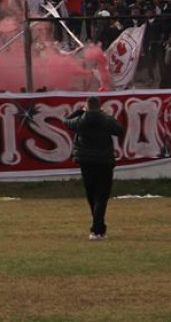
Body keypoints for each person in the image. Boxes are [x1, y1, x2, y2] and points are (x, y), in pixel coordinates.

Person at [64, 96, 125, 240]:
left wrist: (80, 112)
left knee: (91, 195)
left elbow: (66, 121)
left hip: (86, 162)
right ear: (99, 106)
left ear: (87, 106)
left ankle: (98, 227)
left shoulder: (81, 121)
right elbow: (119, 130)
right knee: (102, 196)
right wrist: (104, 114)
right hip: (104, 161)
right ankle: (98, 229)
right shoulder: (105, 120)